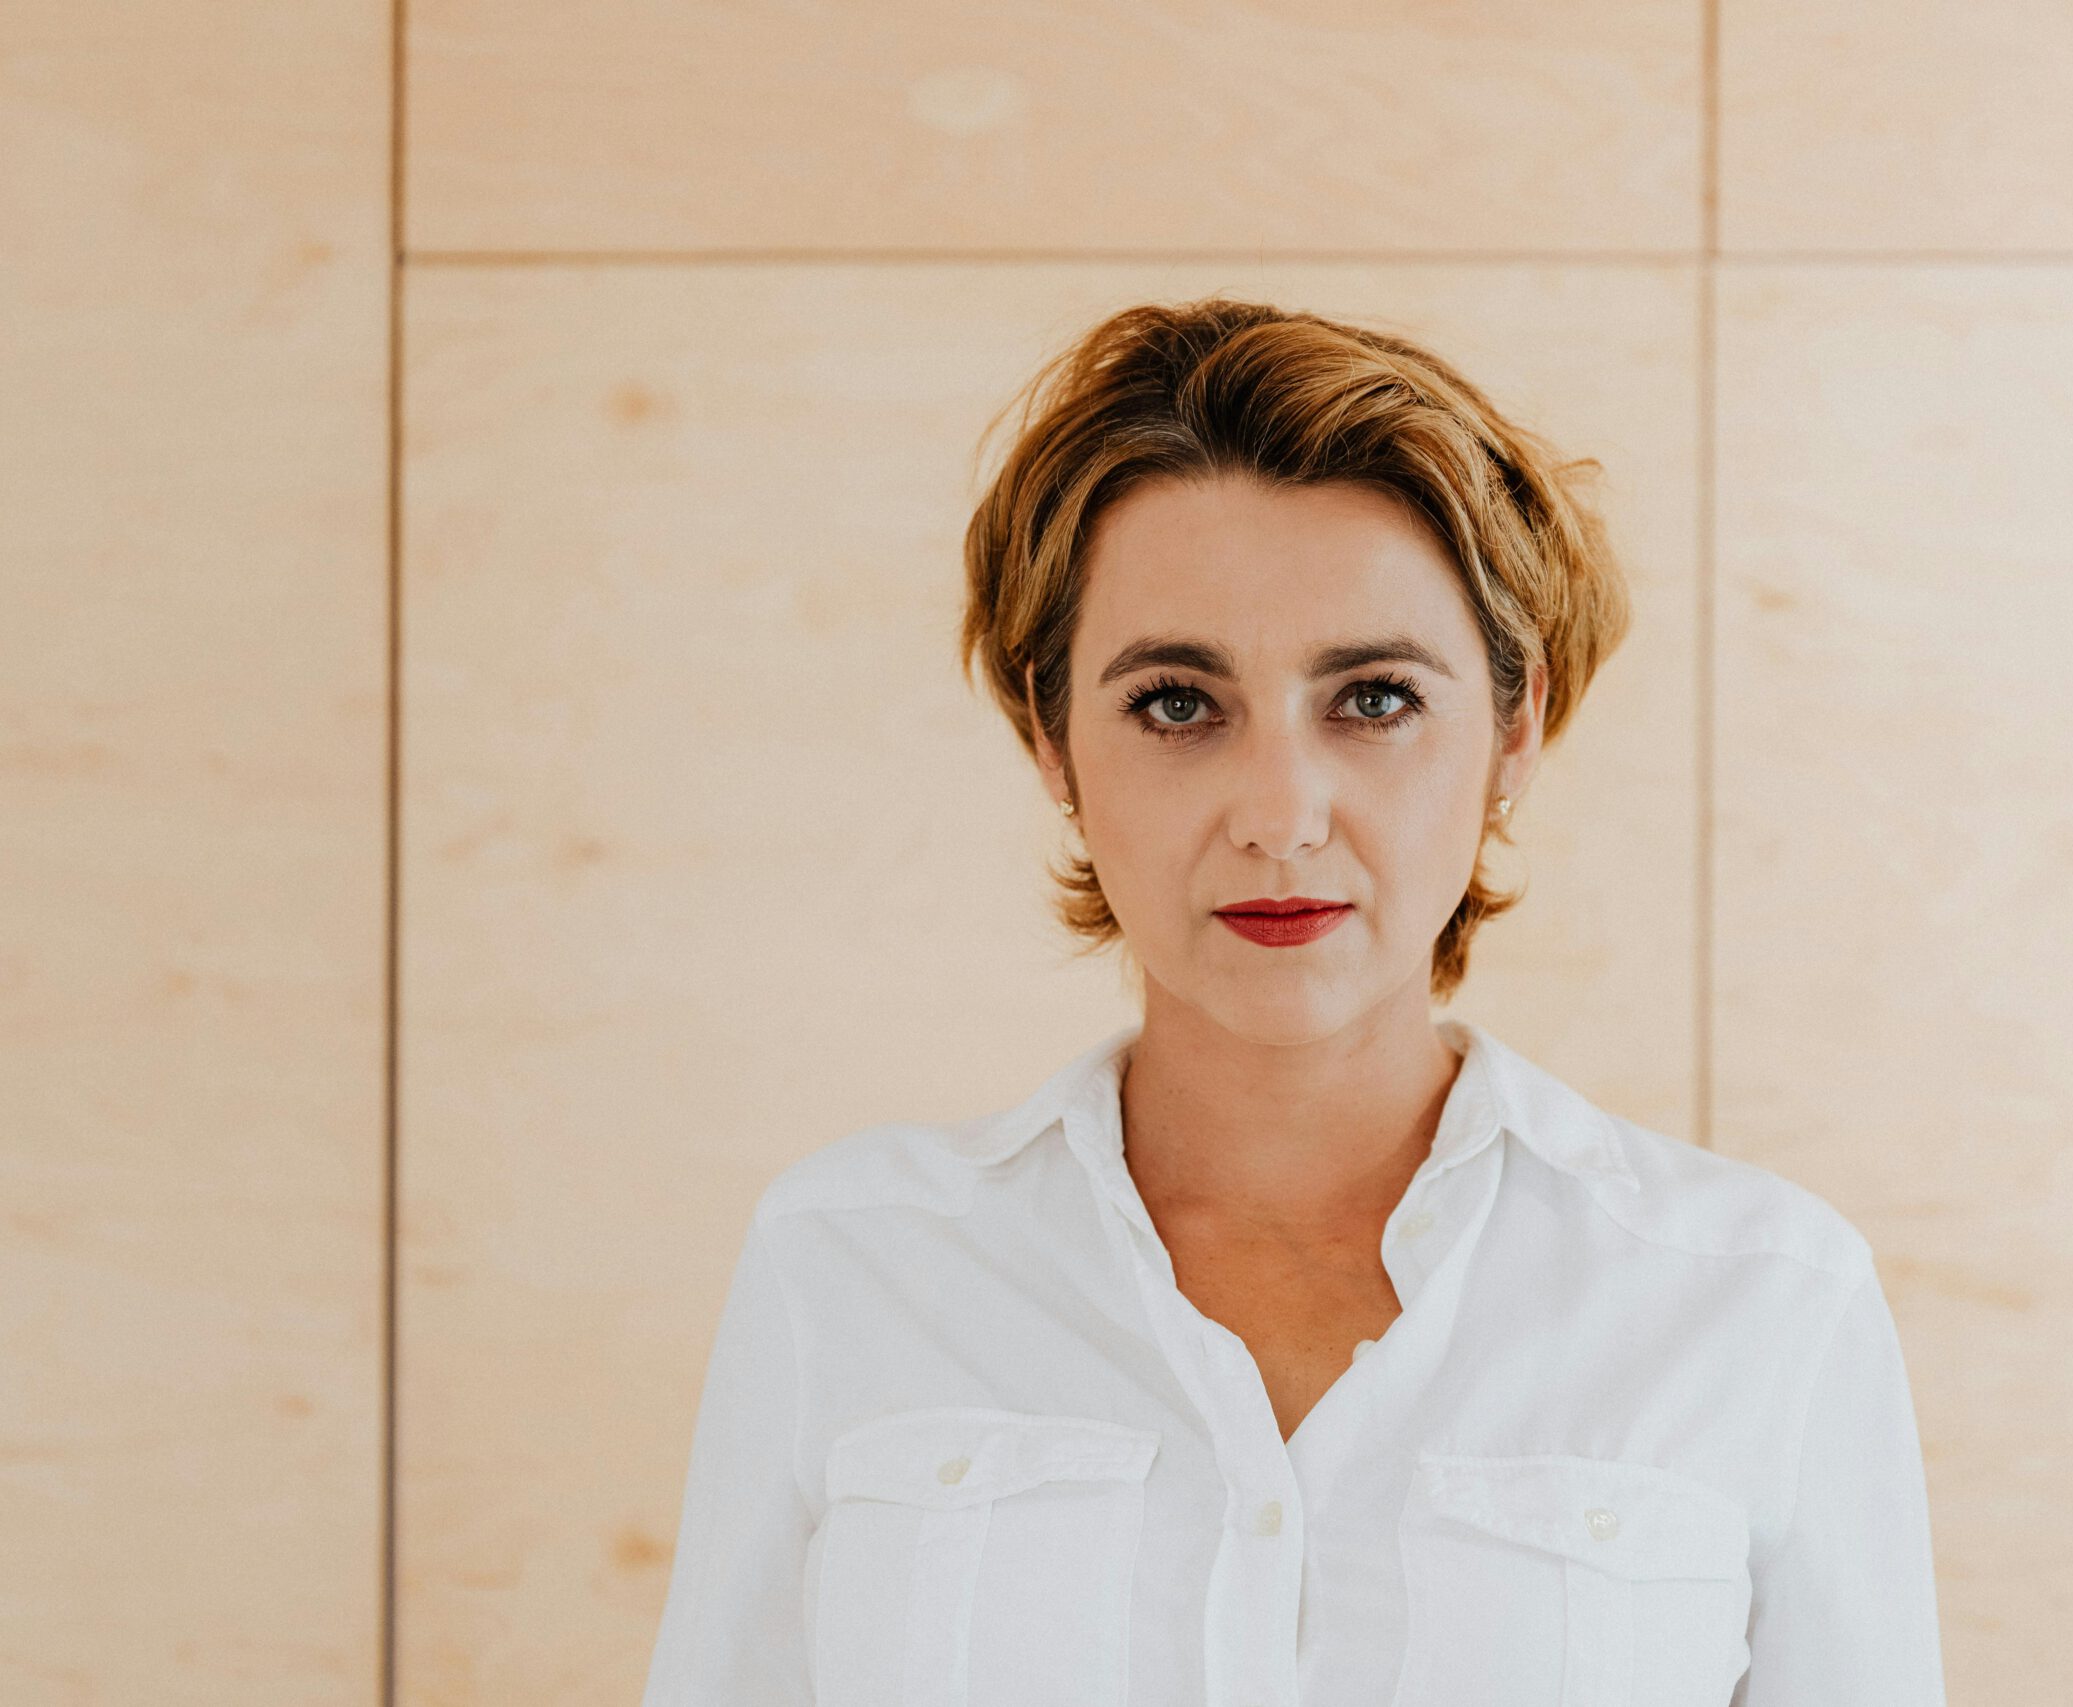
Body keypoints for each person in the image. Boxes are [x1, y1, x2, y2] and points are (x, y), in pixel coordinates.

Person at [639, 297, 1946, 1706]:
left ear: (1515, 729)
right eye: (1177, 704)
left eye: (1375, 699)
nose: (1278, 814)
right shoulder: (851, 1265)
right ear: (1050, 737)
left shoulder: (1759, 1301)